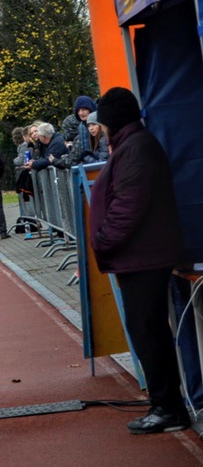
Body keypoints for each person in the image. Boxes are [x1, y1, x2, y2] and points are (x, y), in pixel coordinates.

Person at [89, 87, 190, 434]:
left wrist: (102, 243)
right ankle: (165, 404)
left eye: (102, 122)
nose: (100, 129)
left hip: (143, 257)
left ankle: (168, 408)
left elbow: (127, 208)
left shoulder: (135, 148)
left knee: (148, 330)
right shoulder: (134, 145)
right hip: (140, 255)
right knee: (147, 329)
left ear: (111, 121)